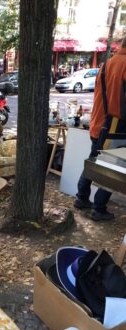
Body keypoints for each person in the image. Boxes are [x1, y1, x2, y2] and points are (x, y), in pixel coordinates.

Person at [74, 36, 126, 221]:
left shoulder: (107, 64)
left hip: (99, 123)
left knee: (94, 161)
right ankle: (99, 207)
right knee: (111, 168)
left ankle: (81, 198)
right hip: (116, 127)